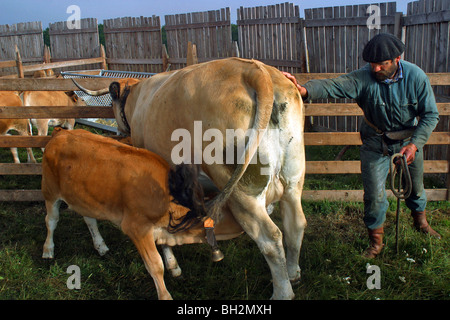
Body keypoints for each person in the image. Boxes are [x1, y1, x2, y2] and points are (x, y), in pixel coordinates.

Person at [283, 33, 441, 258]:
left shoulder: (416, 77)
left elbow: (430, 115)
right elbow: (333, 85)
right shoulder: (363, 77)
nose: (376, 69)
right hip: (376, 143)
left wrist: (415, 145)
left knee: (415, 187)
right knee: (374, 195)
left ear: (397, 59)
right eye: (372, 64)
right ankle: (376, 242)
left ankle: (421, 223)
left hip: (409, 141)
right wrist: (305, 90)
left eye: (382, 64)